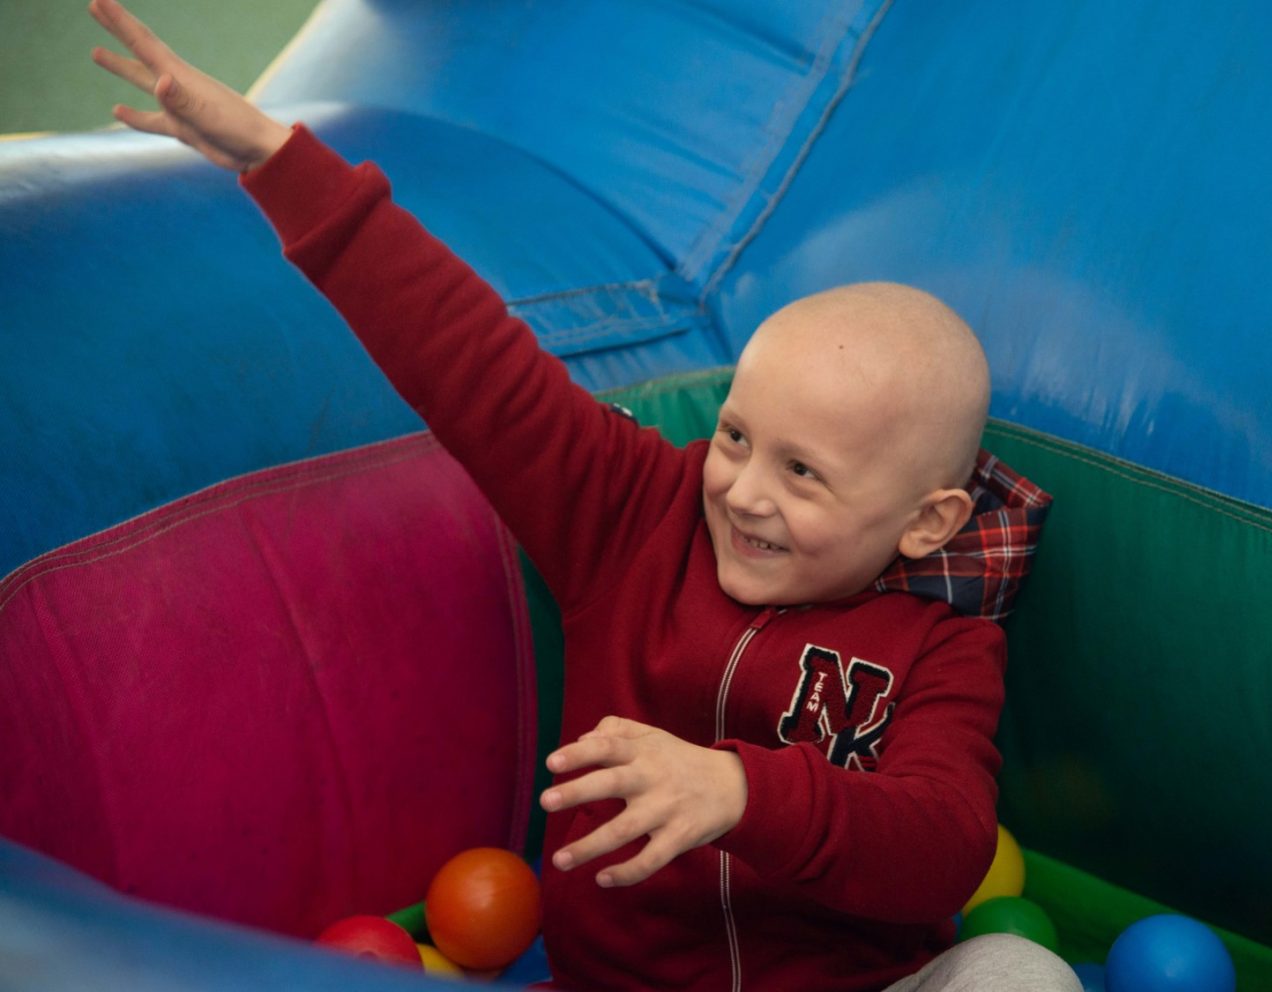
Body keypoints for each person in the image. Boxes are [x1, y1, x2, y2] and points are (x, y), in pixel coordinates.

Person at [87, 2, 1073, 989]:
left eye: (803, 472)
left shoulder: (941, 645)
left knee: (1017, 969)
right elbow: (472, 363)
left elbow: (945, 845)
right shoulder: (635, 516)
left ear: (927, 521)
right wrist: (278, 161)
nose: (743, 492)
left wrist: (743, 789)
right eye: (736, 436)